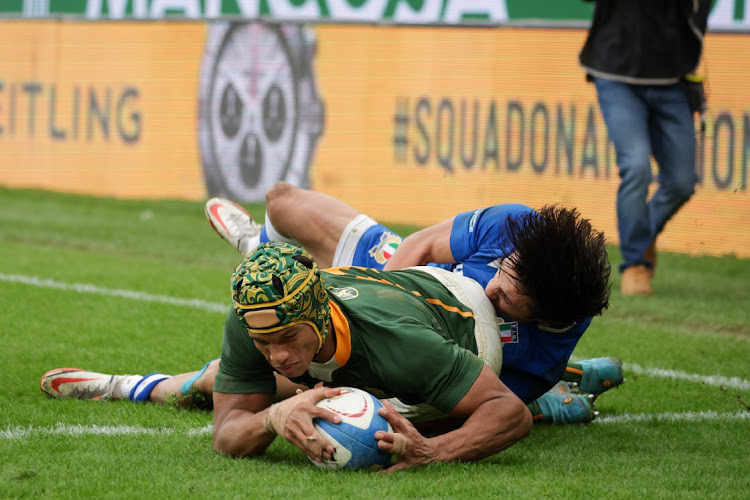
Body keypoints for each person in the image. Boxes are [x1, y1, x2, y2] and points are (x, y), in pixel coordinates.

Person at [41, 184, 619, 424]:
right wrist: (372, 299)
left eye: (508, 294)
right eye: (502, 271)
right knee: (284, 203)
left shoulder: (538, 350)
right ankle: (263, 251)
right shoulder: (515, 229)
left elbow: (474, 408)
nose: (495, 281)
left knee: (238, 383)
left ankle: (126, 384)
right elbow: (420, 245)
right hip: (404, 284)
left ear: (544, 316)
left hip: (415, 350)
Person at [47, 243, 533, 472]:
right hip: (375, 315)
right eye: (264, 343)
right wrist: (272, 419)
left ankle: (553, 388)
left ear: (319, 315)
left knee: (419, 418)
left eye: (288, 338)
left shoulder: (400, 345)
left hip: (467, 322)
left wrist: (434, 451)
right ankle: (128, 385)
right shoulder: (253, 318)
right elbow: (228, 434)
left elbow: (507, 413)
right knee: (224, 381)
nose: (277, 354)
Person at [579, 0, 712, 295]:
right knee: (636, 166)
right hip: (616, 75)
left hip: (673, 79)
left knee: (682, 182)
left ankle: (641, 233)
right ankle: (636, 263)